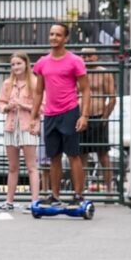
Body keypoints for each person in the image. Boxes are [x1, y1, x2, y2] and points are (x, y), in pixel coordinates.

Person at [30, 23, 91, 205]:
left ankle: (78, 195)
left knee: (73, 155)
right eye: (51, 34)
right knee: (53, 157)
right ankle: (55, 196)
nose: (53, 38)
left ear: (66, 39)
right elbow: (39, 92)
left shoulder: (75, 61)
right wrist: (34, 117)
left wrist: (84, 115)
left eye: (58, 35)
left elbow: (86, 90)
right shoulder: (42, 63)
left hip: (70, 112)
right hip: (50, 115)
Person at [0, 52, 41, 211]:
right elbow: (0, 103)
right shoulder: (7, 83)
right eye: (13, 64)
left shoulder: (35, 82)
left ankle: (35, 202)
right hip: (11, 127)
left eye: (18, 63)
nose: (16, 67)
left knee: (31, 166)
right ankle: (9, 201)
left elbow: (43, 107)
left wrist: (23, 104)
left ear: (26, 64)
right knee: (12, 167)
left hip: (29, 127)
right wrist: (7, 107)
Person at [81, 48, 116, 192]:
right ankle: (80, 191)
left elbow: (112, 98)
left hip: (98, 117)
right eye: (84, 56)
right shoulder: (78, 72)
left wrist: (104, 117)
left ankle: (109, 191)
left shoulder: (104, 73)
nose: (87, 58)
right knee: (81, 156)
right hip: (80, 118)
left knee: (103, 156)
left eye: (89, 55)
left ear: (96, 56)